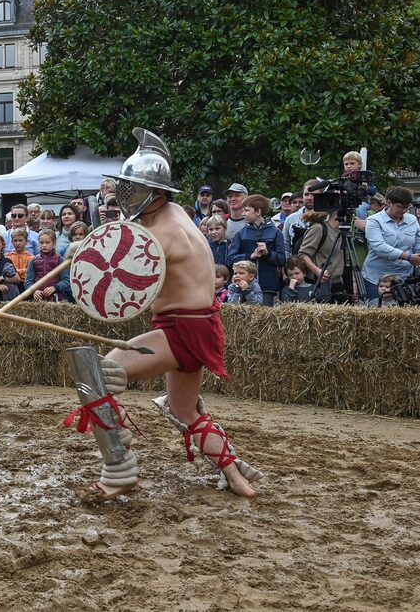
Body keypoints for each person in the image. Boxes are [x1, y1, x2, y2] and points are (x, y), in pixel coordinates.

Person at [61, 128, 258, 500]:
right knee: (184, 410)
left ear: (157, 193)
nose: (126, 195)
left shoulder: (164, 231)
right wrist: (82, 249)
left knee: (97, 378)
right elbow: (124, 240)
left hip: (180, 331)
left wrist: (83, 254)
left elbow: (118, 258)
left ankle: (119, 470)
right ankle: (235, 474)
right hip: (196, 327)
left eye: (134, 188)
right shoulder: (171, 216)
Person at [360, 186, 420, 300]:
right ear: (388, 203)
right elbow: (379, 247)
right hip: (376, 278)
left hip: (404, 277)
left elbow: (418, 242)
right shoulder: (374, 221)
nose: (403, 211)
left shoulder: (412, 219)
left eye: (407, 207)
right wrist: (408, 257)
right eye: (399, 207)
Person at [228, 194, 286, 306]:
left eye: (246, 210)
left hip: (268, 286)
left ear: (258, 212)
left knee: (264, 320)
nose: (242, 213)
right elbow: (230, 259)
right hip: (243, 285)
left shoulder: (275, 232)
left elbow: (282, 260)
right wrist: (249, 256)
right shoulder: (240, 234)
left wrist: (268, 253)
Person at [298, 207, 344, 303]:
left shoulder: (343, 232)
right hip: (319, 284)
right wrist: (318, 271)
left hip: (337, 284)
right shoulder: (319, 228)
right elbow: (303, 254)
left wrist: (355, 285)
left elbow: (347, 260)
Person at [28, 231, 62, 301]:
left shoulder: (60, 259)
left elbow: (66, 280)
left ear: (54, 243)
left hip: (56, 297)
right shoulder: (34, 260)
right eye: (41, 242)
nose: (44, 245)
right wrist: (34, 290)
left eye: (47, 242)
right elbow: (28, 281)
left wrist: (55, 287)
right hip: (39, 298)